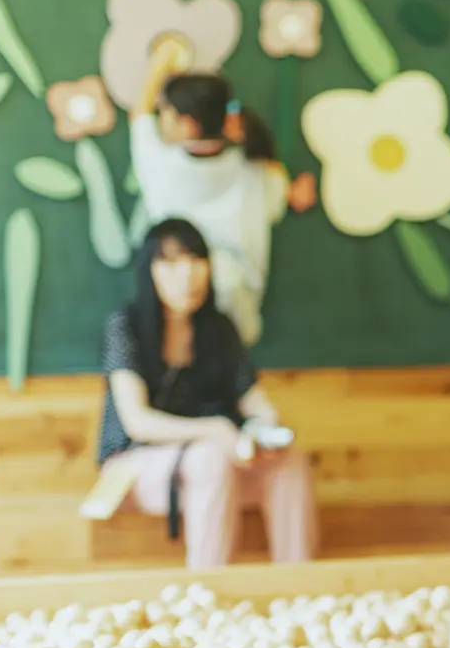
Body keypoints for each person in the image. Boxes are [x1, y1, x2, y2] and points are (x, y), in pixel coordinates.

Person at [95, 219, 318, 571]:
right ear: (148, 270)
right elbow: (137, 422)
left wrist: (263, 433)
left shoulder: (219, 330)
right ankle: (207, 590)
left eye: (196, 259)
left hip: (215, 464)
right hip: (136, 467)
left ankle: (299, 587)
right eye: (170, 261)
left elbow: (256, 403)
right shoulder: (126, 326)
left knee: (288, 462)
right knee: (210, 457)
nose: (187, 273)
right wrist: (214, 430)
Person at [131, 45, 317, 348]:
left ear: (187, 124)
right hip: (239, 317)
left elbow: (138, 116)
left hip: (177, 320)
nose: (159, 118)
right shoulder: (254, 168)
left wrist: (160, 62)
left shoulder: (161, 164)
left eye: (165, 111)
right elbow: (278, 194)